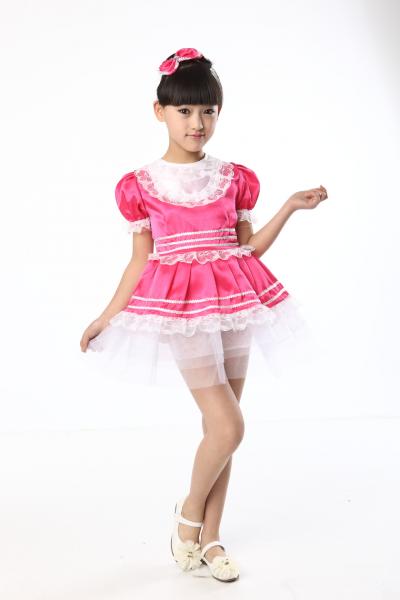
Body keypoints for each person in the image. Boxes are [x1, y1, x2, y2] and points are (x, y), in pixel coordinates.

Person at [80, 47, 328, 583]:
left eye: (208, 111)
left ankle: (211, 539)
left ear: (219, 112)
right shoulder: (141, 185)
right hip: (183, 309)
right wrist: (106, 316)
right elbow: (140, 260)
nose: (197, 122)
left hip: (235, 302)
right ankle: (188, 517)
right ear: (160, 112)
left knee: (221, 428)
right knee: (228, 425)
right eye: (185, 110)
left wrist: (289, 206)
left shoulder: (234, 178)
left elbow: (248, 249)